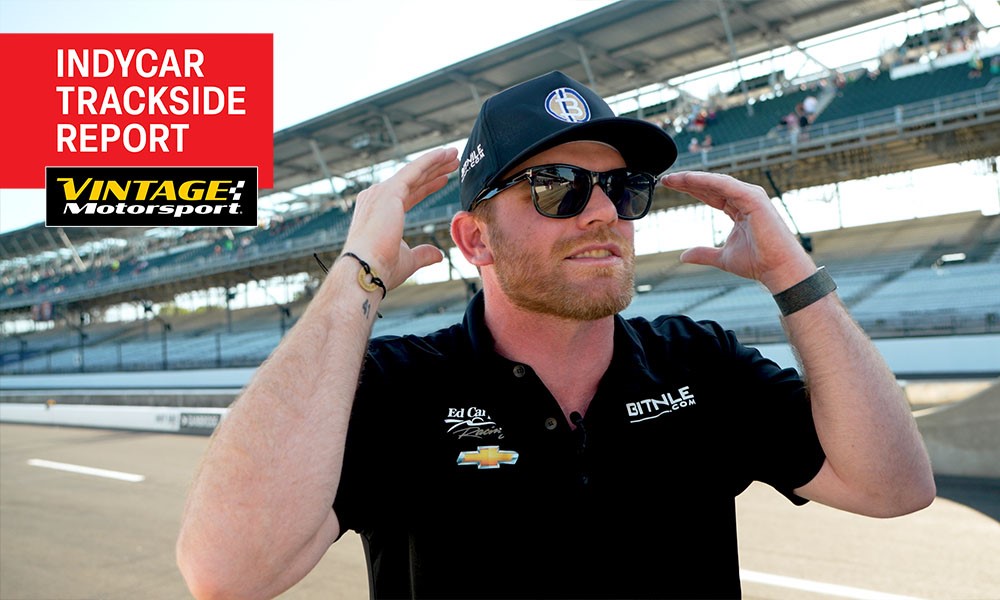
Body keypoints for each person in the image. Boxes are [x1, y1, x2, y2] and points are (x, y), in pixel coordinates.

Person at [176, 70, 935, 599]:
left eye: (623, 188)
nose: (603, 212)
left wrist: (794, 279)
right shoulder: (397, 386)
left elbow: (894, 487)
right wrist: (355, 278)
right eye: (557, 187)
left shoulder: (699, 364)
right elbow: (227, 572)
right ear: (474, 239)